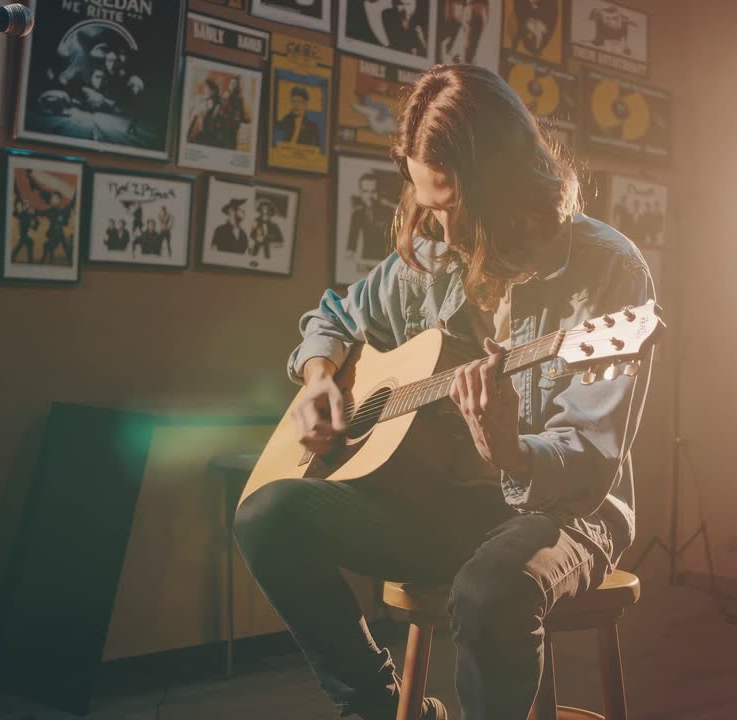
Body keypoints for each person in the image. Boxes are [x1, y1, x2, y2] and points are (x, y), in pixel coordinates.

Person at [234, 64, 654, 720]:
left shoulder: (610, 269)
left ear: (505, 184)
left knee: (488, 593)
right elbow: (336, 317)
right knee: (267, 515)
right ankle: (378, 708)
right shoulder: (430, 261)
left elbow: (591, 461)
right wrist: (320, 378)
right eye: (428, 205)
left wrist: (512, 452)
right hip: (438, 505)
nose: (442, 229)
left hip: (567, 513)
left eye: (453, 205)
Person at [346, 173, 396, 262]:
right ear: (360, 192)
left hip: (387, 262)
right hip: (366, 261)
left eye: (374, 191)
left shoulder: (390, 212)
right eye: (365, 191)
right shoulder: (357, 214)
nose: (370, 196)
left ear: (379, 191)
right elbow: (351, 242)